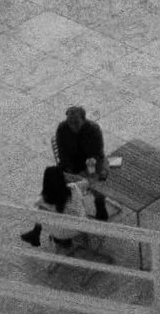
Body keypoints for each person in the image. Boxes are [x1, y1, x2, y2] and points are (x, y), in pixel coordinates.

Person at [22, 105, 108, 249]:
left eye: (76, 122)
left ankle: (100, 208)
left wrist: (89, 165)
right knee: (54, 186)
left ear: (84, 120)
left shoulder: (93, 130)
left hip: (91, 161)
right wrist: (71, 172)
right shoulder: (63, 129)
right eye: (70, 122)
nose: (72, 125)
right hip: (71, 166)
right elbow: (63, 155)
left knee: (95, 180)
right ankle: (39, 232)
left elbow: (98, 152)